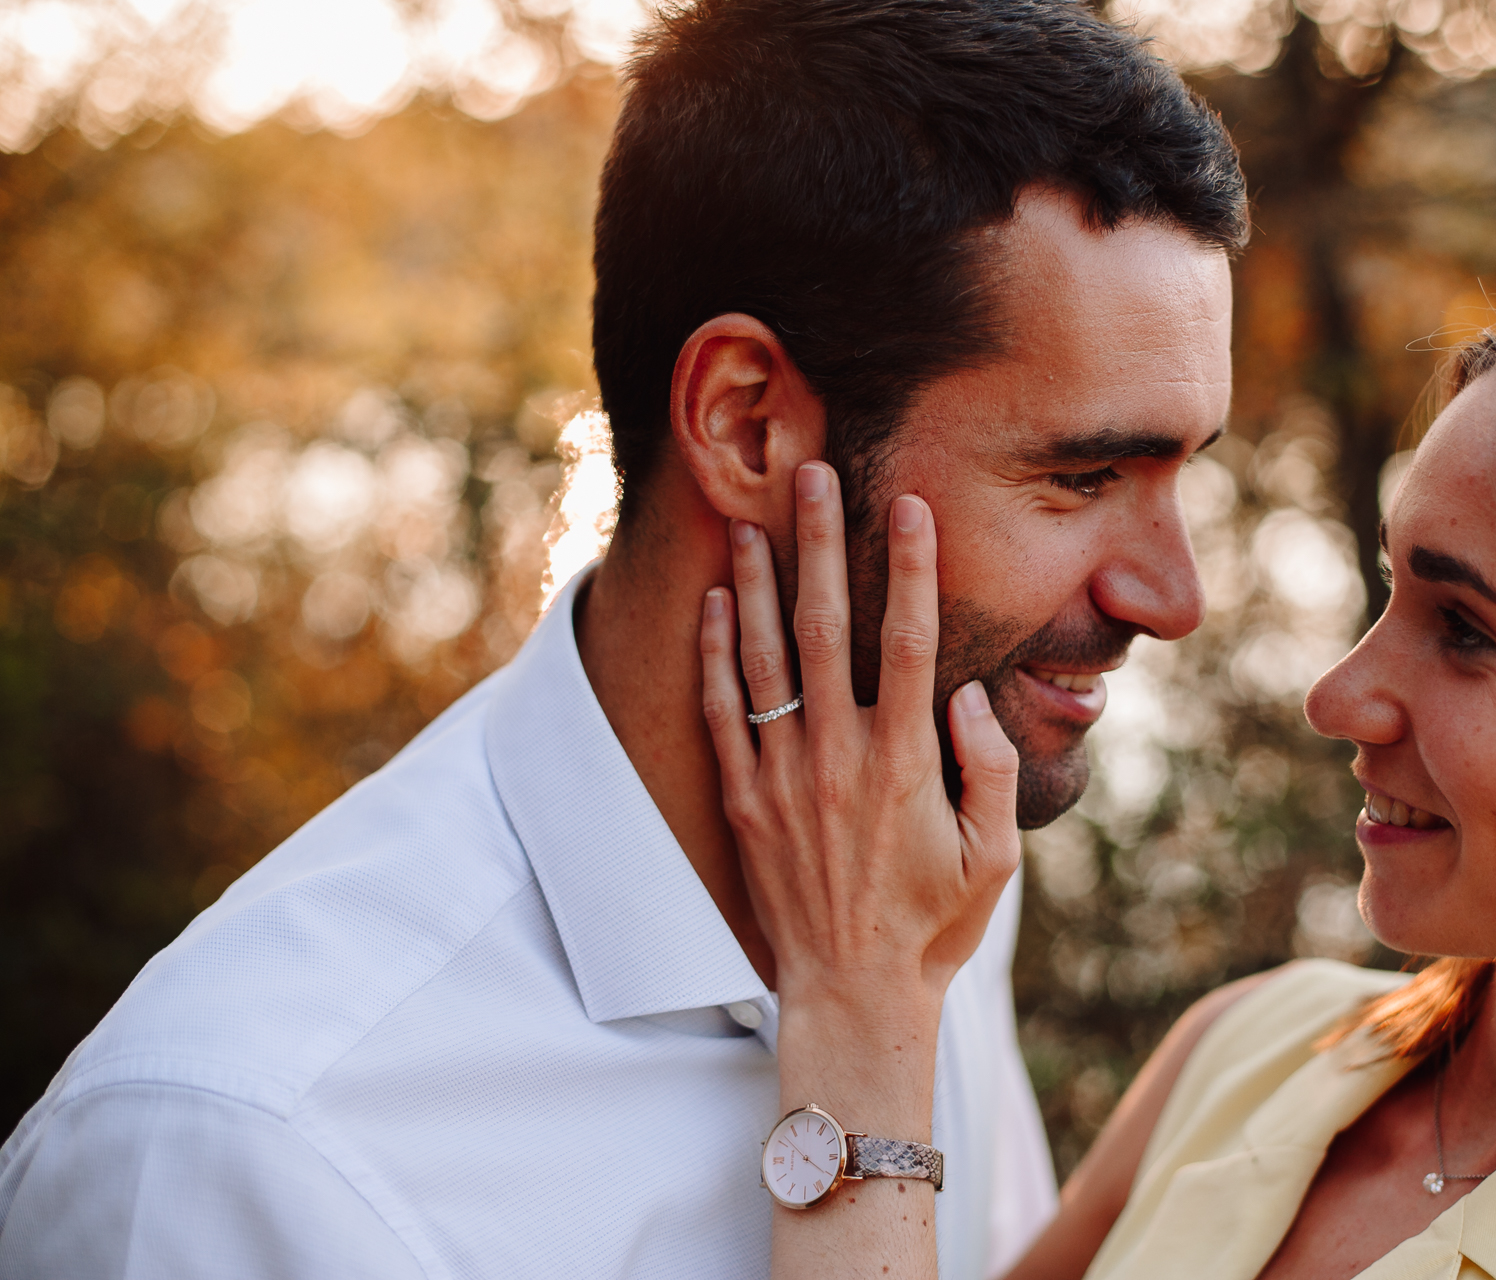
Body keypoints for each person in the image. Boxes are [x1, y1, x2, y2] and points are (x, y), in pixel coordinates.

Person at [0, 2, 1247, 1277]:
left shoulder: (927, 840)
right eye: (1085, 475)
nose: (1176, 595)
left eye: (1183, 471)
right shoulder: (238, 1153)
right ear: (750, 425)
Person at [704, 251, 1496, 1280]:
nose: (1337, 695)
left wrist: (860, 1018)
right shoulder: (1253, 1046)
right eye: (1394, 586)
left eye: (1468, 629)